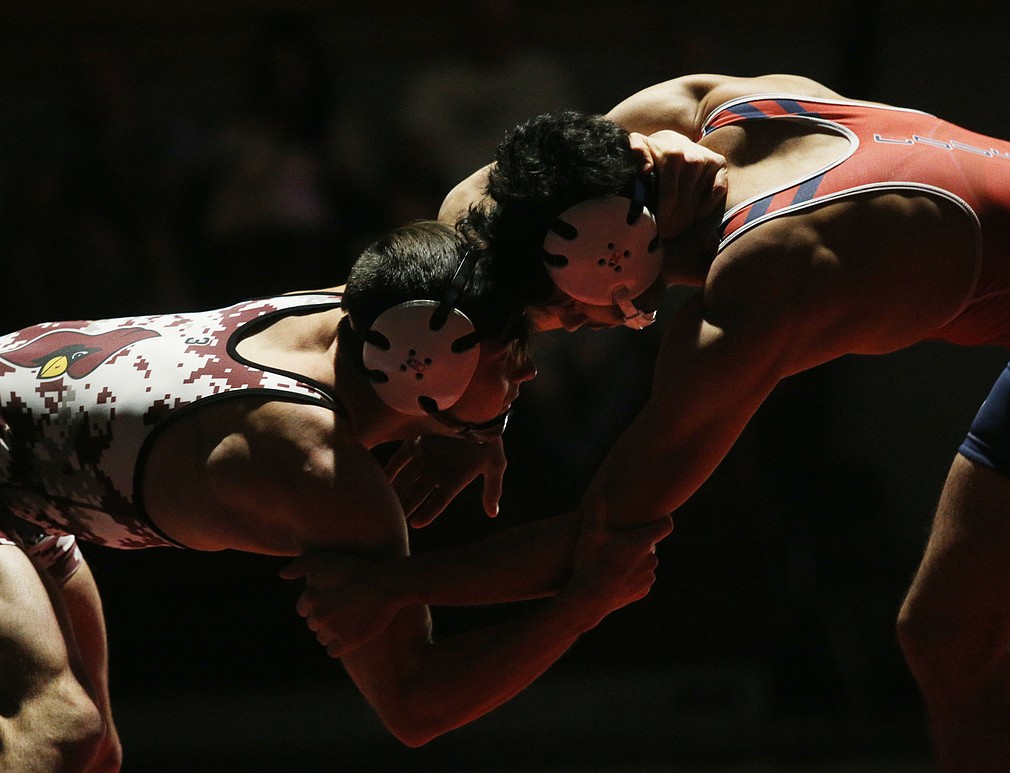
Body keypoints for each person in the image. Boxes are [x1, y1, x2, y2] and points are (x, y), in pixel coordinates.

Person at [288, 74, 1010, 772]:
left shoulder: (768, 276)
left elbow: (608, 533)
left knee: (950, 636)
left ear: (611, 254)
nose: (573, 333)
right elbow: (473, 203)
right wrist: (479, 419)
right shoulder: (704, 110)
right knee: (946, 638)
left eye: (569, 313)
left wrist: (395, 585)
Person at [0, 220, 672, 770]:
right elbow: (420, 703)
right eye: (508, 354)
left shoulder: (359, 313)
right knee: (60, 731)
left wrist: (477, 421)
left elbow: (467, 267)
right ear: (429, 365)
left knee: (95, 759)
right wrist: (583, 605)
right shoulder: (319, 470)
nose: (527, 367)